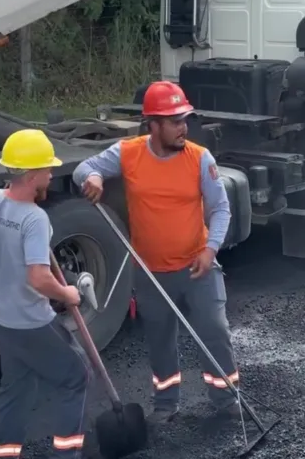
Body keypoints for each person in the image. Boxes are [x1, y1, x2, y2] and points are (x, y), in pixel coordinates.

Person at [71, 80, 242, 425]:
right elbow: (81, 170)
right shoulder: (128, 152)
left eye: (185, 120)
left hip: (198, 267)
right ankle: (166, 403)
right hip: (150, 273)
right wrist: (95, 179)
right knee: (160, 340)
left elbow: (221, 209)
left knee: (214, 330)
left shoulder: (199, 159)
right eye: (175, 121)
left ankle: (226, 400)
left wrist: (210, 251)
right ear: (153, 125)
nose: (184, 128)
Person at [0, 129, 90, 458]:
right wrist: (68, 294)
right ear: (29, 175)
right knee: (75, 377)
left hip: (4, 321)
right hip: (32, 322)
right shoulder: (35, 218)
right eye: (46, 170)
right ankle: (66, 454)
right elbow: (40, 279)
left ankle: (4, 453)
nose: (52, 175)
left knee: (16, 389)